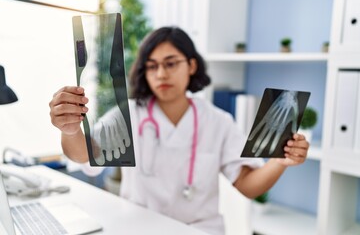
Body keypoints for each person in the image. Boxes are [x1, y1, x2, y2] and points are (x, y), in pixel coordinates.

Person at [49, 27, 309, 235]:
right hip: (138, 228)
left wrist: (279, 162)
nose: (161, 74)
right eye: (152, 66)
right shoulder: (129, 113)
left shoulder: (218, 121)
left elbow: (247, 186)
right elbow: (85, 156)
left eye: (171, 63)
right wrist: (70, 130)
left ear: (192, 66)